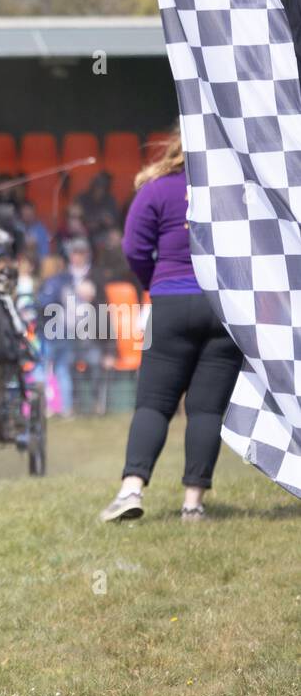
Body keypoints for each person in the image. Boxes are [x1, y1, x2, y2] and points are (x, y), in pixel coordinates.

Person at [99, 129, 244, 524]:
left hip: (171, 303)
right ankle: (193, 504)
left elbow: (133, 247)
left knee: (154, 403)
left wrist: (155, 283)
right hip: (223, 306)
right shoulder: (237, 188)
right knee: (206, 409)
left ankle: (131, 489)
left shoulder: (156, 188)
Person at [36, 237, 96, 418]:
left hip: (52, 331)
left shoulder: (53, 282)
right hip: (65, 330)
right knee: (62, 370)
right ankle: (66, 408)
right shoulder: (68, 280)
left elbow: (45, 304)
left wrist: (34, 305)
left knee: (43, 368)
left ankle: (43, 407)